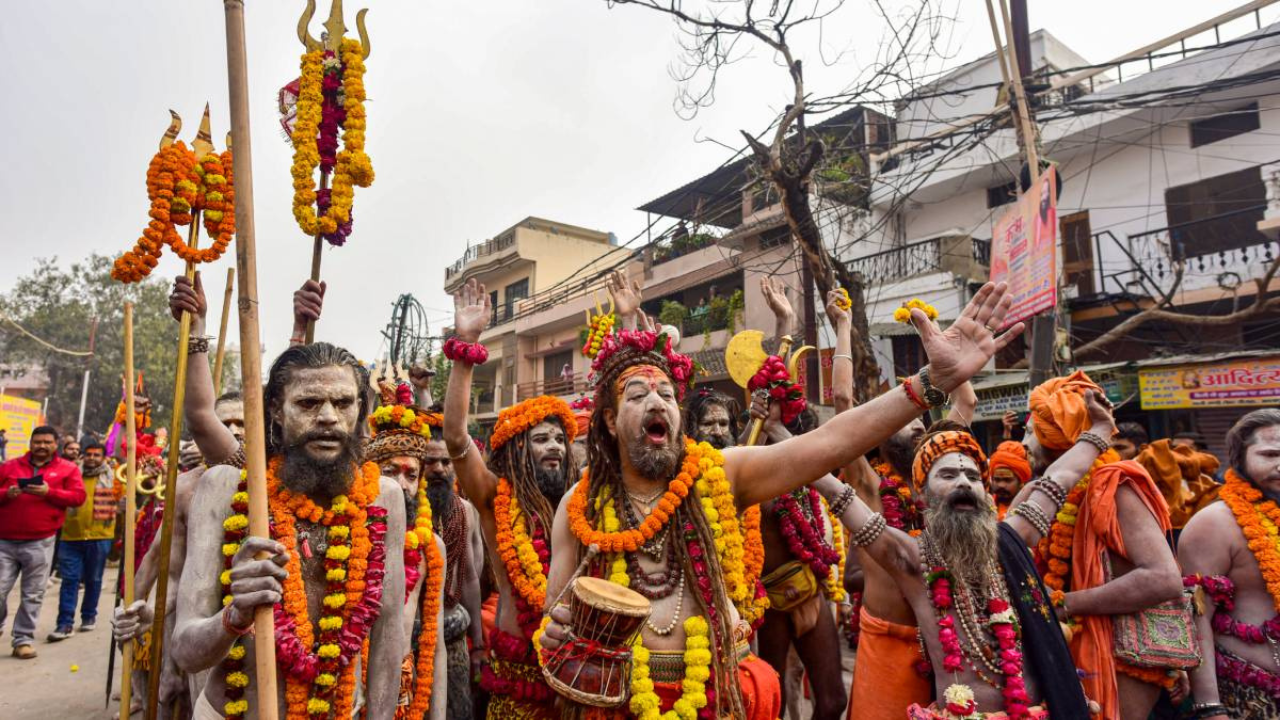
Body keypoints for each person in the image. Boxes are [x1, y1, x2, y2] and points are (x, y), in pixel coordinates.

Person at [540, 281, 1026, 717]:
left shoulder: (721, 475)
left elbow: (831, 442)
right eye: (638, 395)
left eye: (667, 393)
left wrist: (927, 384)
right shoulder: (579, 507)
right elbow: (553, 621)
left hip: (712, 697)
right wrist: (559, 632)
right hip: (618, 702)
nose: (656, 402)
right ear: (608, 421)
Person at [172, 342, 406, 719]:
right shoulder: (227, 488)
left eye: (343, 403)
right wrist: (235, 615)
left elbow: (389, 638)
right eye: (309, 403)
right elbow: (185, 651)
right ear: (276, 412)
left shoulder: (384, 497)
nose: (329, 417)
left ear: (360, 410)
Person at [443, 280, 579, 719]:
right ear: (519, 451)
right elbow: (457, 438)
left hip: (577, 670)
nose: (555, 446)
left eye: (560, 438)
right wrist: (466, 346)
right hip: (517, 677)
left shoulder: (583, 505)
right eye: (541, 439)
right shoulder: (494, 499)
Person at [1025, 372, 1183, 719]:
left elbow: (1163, 578)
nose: (1024, 443)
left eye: (1029, 430)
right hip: (1075, 646)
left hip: (1118, 656)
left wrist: (1062, 605)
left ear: (1055, 435)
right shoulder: (1056, 488)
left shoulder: (1114, 483)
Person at [1180, 408, 1280, 718]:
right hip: (1247, 698)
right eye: (1270, 454)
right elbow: (1195, 619)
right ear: (1238, 457)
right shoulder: (1214, 523)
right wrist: (1210, 707)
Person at [364, 379, 450, 720]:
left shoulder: (431, 547)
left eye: (410, 474)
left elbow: (437, 644)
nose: (401, 484)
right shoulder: (350, 536)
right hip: (347, 680)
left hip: (403, 682)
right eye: (390, 472)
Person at [0, 425, 85, 659]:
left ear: (55, 444)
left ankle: (22, 639)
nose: (42, 446)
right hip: (4, 540)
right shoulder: (10, 466)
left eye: (47, 442)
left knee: (33, 593)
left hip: (41, 540)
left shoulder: (67, 469)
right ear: (30, 443)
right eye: (38, 441)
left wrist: (49, 492)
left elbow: (78, 497)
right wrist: (6, 494)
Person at [48, 441, 116, 641]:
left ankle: (88, 616)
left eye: (97, 455)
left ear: (104, 458)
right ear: (83, 456)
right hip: (71, 535)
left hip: (100, 536)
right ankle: (64, 623)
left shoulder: (114, 477)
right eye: (89, 454)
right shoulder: (71, 475)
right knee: (69, 580)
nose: (92, 458)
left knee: (93, 579)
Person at [988, 440, 1031, 520]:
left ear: (1021, 482)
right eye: (997, 480)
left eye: (1007, 480)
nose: (1001, 485)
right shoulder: (984, 506)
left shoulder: (1031, 509)